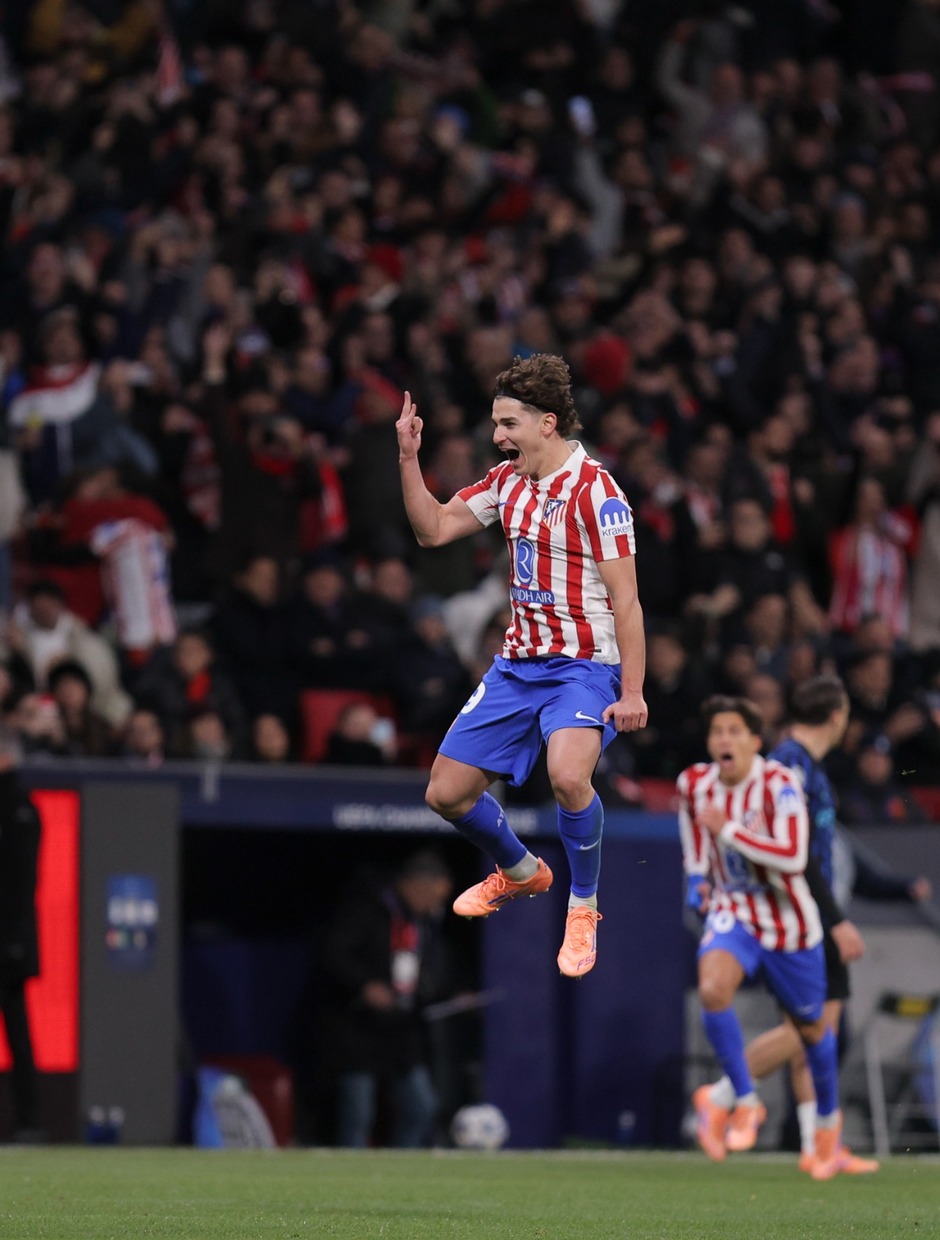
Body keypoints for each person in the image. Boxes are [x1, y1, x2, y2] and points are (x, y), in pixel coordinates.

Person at [396, 354, 647, 978]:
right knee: (444, 794)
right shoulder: (506, 481)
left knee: (567, 777)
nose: (498, 435)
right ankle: (520, 870)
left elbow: (628, 602)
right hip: (516, 668)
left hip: (583, 669)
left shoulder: (599, 493)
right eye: (496, 422)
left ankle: (583, 908)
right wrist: (407, 458)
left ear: (548, 423)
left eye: (508, 422)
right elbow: (431, 529)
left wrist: (633, 690)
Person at [692, 675, 879, 1175]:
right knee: (808, 1029)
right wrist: (835, 919)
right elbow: (801, 858)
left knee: (811, 1029)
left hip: (801, 915)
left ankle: (815, 1139)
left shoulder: (799, 767)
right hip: (794, 914)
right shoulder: (789, 765)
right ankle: (731, 1096)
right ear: (838, 715)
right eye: (719, 732)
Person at [318, 849, 456, 1148]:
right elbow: (334, 953)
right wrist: (365, 985)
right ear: (417, 883)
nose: (436, 905)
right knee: (358, 1115)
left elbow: (421, 969)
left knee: (422, 1107)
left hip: (399, 1029)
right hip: (357, 1028)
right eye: (434, 896)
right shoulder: (367, 907)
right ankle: (347, 1186)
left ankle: (400, 1175)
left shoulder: (422, 922)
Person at [0, 727, 43, 1141]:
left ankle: (30, 1122)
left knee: (18, 1035)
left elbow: (18, 884)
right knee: (18, 1034)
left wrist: (14, 943)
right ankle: (29, 1122)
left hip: (8, 945)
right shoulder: (18, 805)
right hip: (12, 942)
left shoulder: (16, 808)